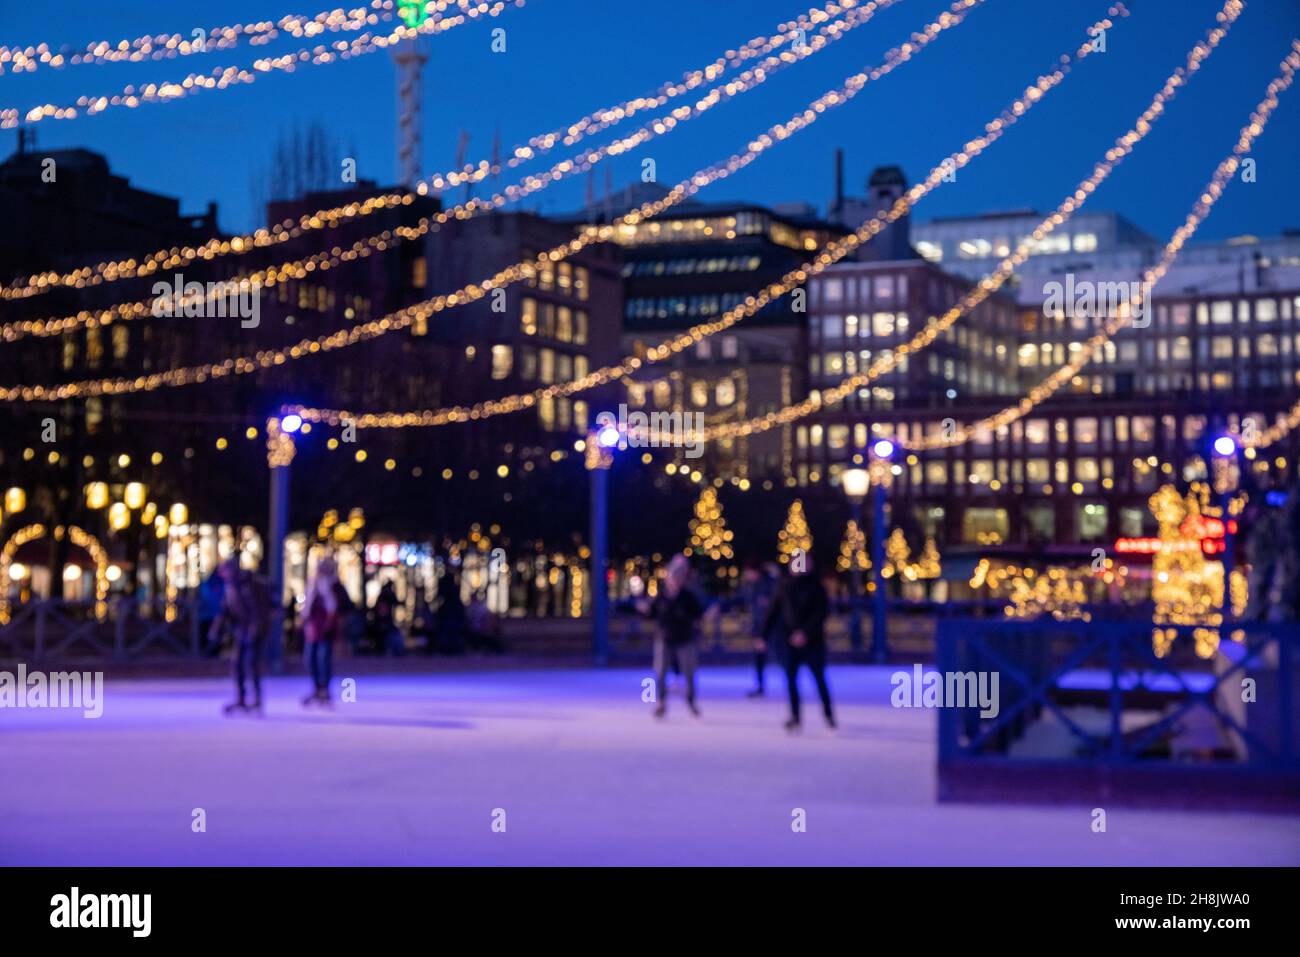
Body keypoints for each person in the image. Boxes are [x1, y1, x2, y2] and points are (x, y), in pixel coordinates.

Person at [766, 558, 835, 732]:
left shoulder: (817, 586)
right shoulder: (785, 586)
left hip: (813, 641)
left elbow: (821, 612)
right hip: (789, 641)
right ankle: (795, 717)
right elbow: (774, 611)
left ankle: (828, 715)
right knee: (791, 680)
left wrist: (804, 632)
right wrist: (762, 635)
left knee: (819, 679)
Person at [641, 554, 705, 718]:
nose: (675, 581)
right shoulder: (661, 596)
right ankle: (661, 702)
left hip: (685, 638)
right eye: (672, 578)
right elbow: (651, 614)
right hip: (665, 637)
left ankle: (691, 701)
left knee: (689, 672)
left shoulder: (687, 596)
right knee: (660, 672)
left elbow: (698, 614)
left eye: (678, 578)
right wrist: (645, 611)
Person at [209, 558, 271, 715]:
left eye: (223, 571)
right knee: (237, 663)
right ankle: (241, 698)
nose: (221, 575)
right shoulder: (231, 585)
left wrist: (254, 629)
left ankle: (257, 699)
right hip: (242, 629)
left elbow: (256, 610)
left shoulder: (246, 585)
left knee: (251, 663)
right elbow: (225, 610)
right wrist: (216, 629)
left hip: (254, 629)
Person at [301, 557, 346, 707]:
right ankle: (316, 688)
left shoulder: (333, 585)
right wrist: (305, 621)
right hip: (312, 627)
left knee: (323, 660)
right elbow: (307, 606)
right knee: (310, 659)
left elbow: (335, 607)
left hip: (325, 628)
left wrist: (330, 625)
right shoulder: (312, 584)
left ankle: (324, 690)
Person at [739, 562, 781, 697]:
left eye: (748, 572)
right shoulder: (751, 586)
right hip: (759, 627)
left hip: (773, 626)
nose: (746, 575)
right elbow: (742, 600)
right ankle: (760, 686)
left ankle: (792, 681)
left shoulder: (769, 583)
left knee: (782, 656)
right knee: (758, 657)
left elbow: (778, 599)